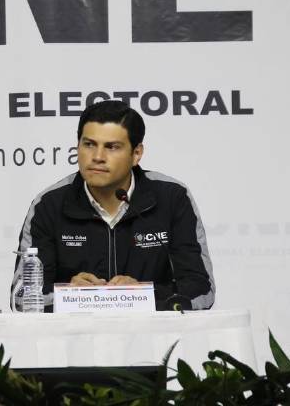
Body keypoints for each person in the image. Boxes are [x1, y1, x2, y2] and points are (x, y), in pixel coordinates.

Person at [12, 100, 215, 311]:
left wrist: (143, 295)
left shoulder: (172, 198)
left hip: (155, 338)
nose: (98, 157)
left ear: (136, 154)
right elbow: (21, 298)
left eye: (112, 147)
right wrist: (69, 294)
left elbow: (201, 289)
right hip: (74, 339)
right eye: (89, 144)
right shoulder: (49, 204)